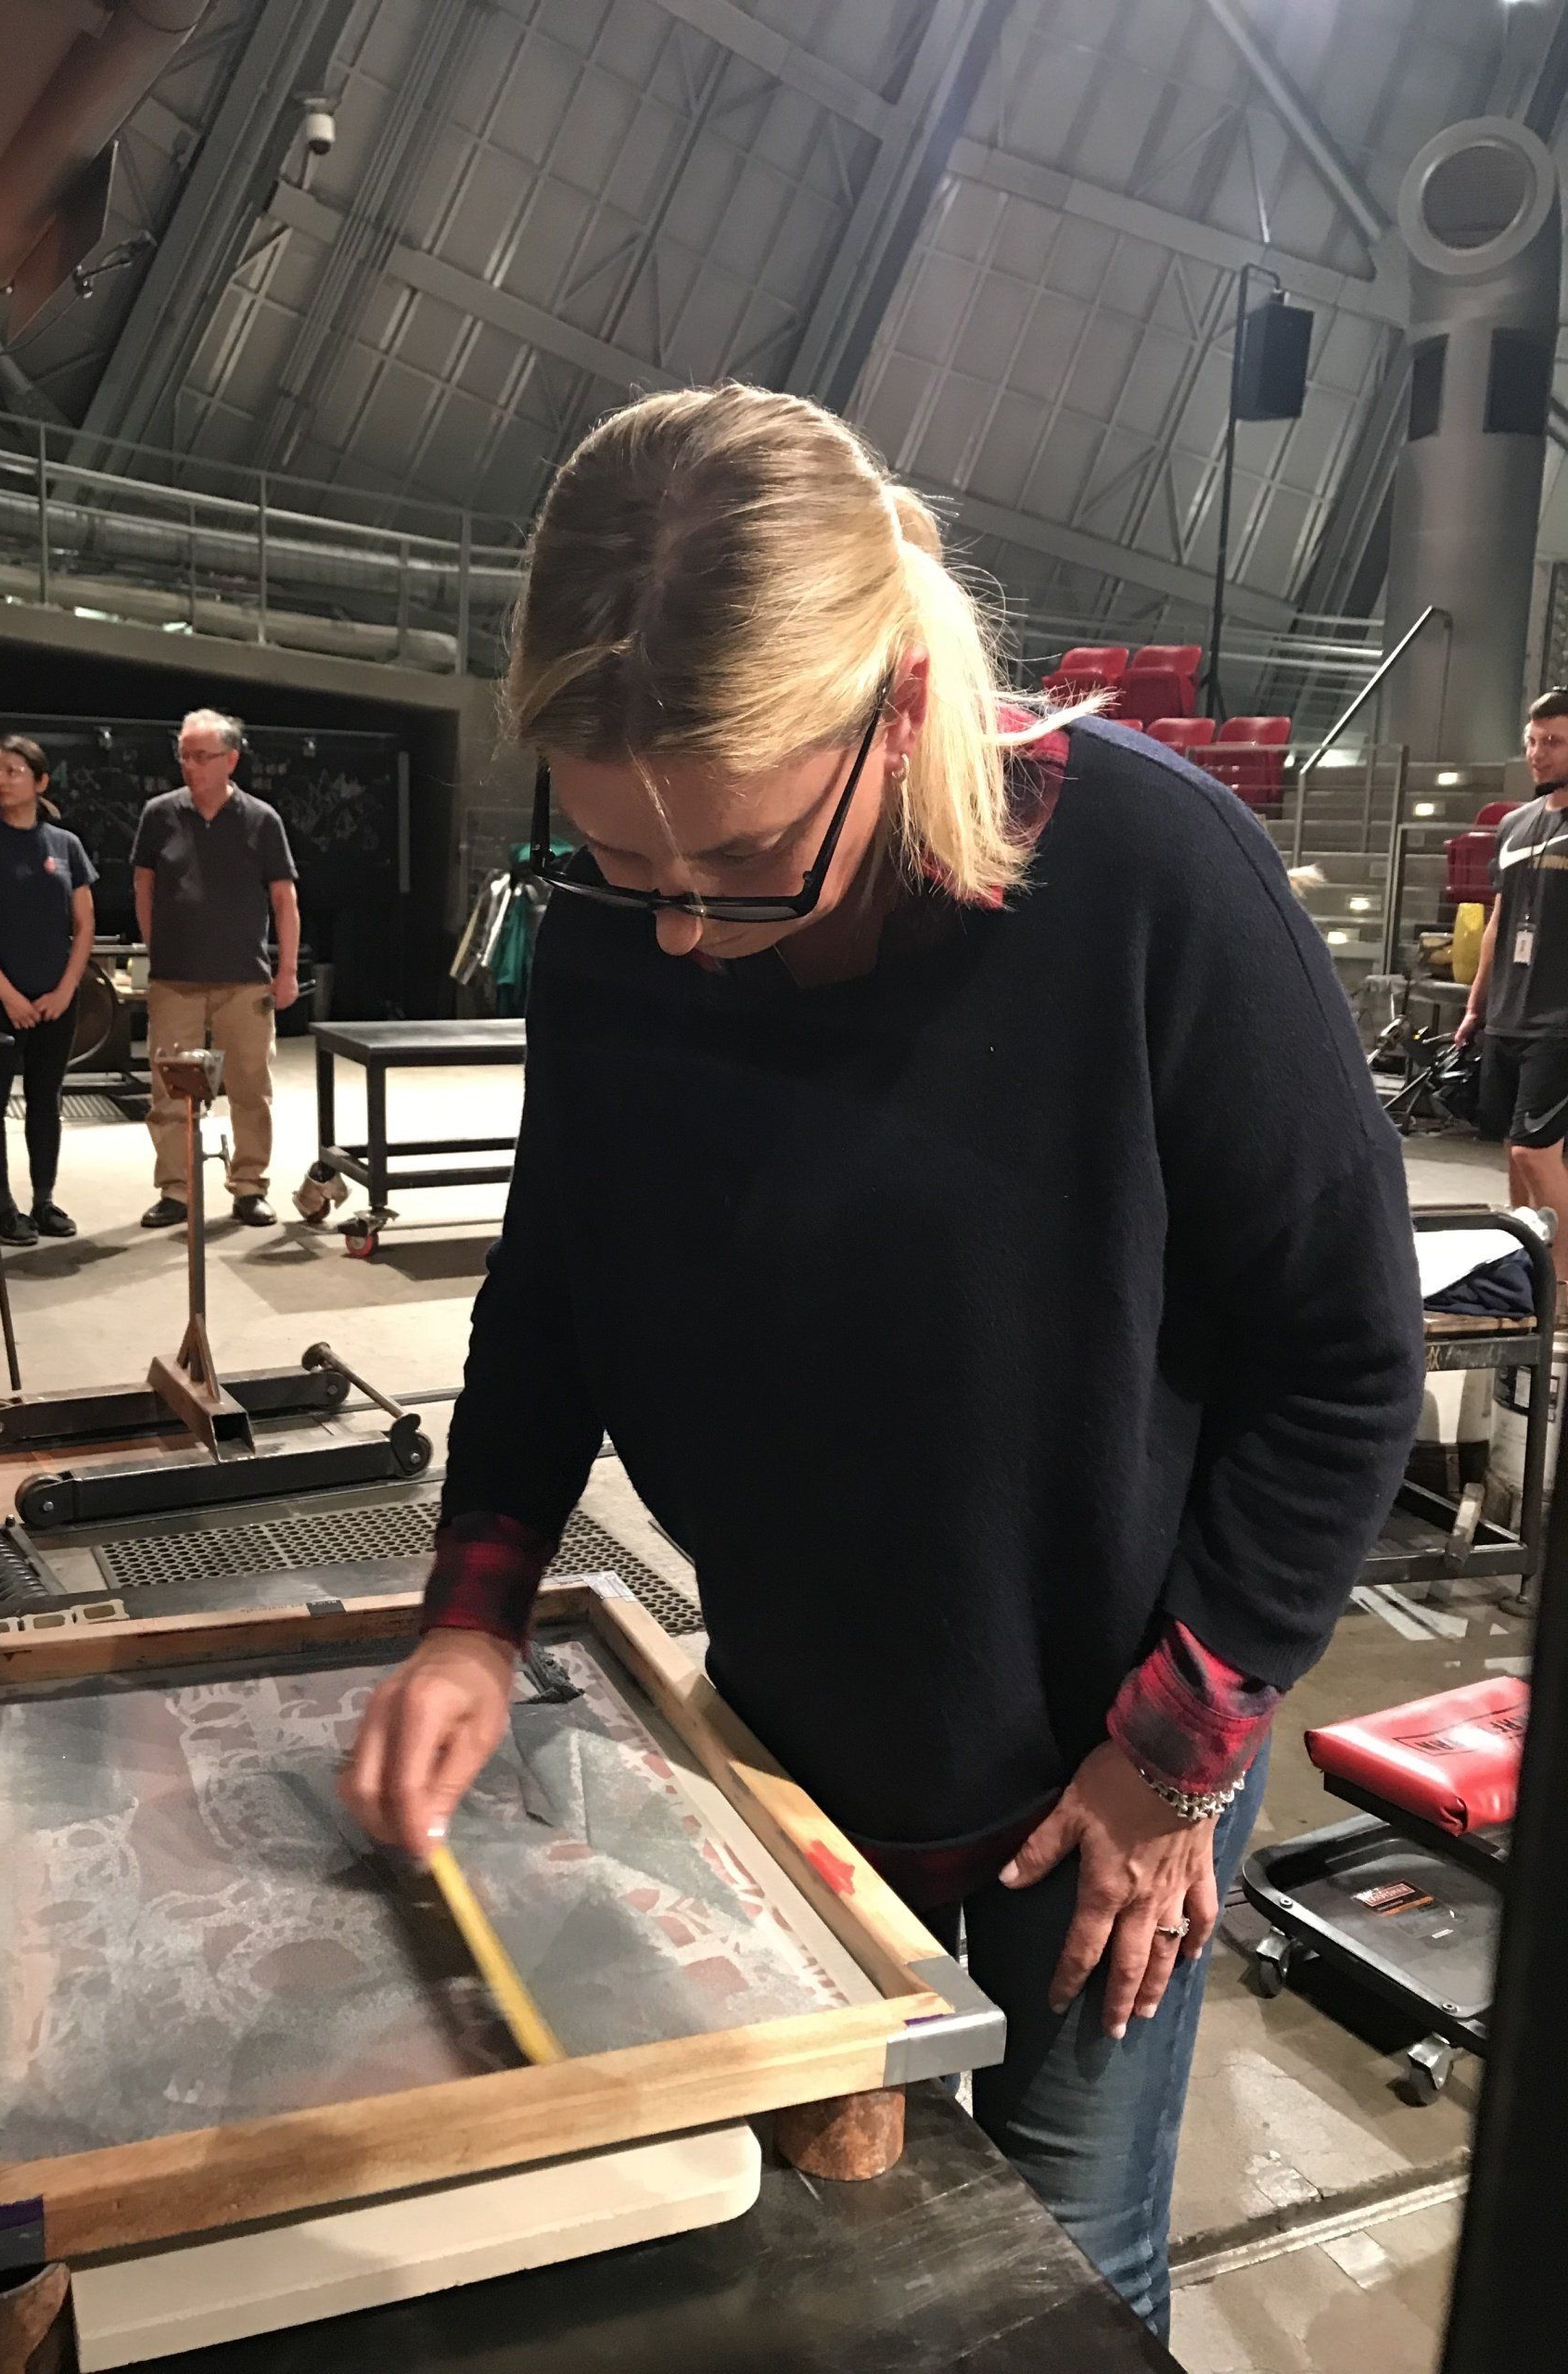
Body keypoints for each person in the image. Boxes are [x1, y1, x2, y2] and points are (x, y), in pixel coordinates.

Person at [338, 386, 1424, 2336]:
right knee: (815, 2266)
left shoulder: (1158, 884)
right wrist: (471, 1616)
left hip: (1105, 1754)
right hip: (793, 1729)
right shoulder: (617, 927)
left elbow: (1343, 1360)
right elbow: (556, 1286)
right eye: (619, 860)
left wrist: (1169, 1760)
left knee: (1053, 2292)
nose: (681, 935)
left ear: (900, 713)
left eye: (745, 860)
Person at [132, 708, 299, 1228]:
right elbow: (144, 886)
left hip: (243, 978)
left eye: (201, 756)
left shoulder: (261, 819)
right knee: (171, 1090)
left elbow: (284, 899)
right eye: (184, 755)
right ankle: (176, 1190)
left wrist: (287, 970)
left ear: (231, 760)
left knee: (249, 1085)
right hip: (175, 979)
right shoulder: (160, 814)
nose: (190, 765)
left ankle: (249, 1185)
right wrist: (157, 946)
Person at [0, 736, 97, 1245]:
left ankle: (44, 1199)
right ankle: (2, 1206)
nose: (1, 780)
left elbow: (84, 925)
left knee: (45, 1099)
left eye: (13, 771)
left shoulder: (65, 845)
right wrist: (7, 996)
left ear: (40, 781)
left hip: (55, 997)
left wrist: (65, 989)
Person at [1458, 688, 1568, 1285]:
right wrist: (1477, 1004)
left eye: (1554, 742)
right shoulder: (1513, 825)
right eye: (1532, 740)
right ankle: (1527, 1271)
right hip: (1507, 1012)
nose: (1537, 753)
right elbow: (1500, 921)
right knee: (1514, 1154)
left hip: (1560, 1021)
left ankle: (1562, 1285)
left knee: (1535, 1150)